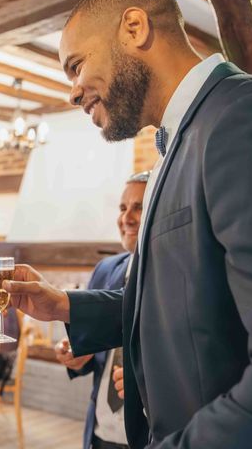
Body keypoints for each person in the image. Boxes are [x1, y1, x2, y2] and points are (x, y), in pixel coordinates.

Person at [2, 0, 252, 449]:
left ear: (134, 28)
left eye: (76, 66)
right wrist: (65, 306)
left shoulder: (246, 119)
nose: (73, 92)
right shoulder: (172, 148)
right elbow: (184, 299)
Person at [55, 171, 148, 449]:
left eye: (138, 207)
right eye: (122, 208)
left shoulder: (172, 275)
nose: (126, 218)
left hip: (148, 436)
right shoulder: (105, 269)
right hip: (100, 432)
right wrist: (79, 353)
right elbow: (98, 352)